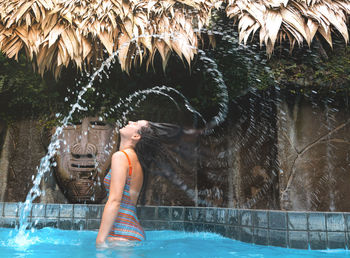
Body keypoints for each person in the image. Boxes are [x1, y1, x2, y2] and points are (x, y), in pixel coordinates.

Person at [96, 120, 182, 246]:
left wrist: (100, 240)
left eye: (135, 123)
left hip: (121, 235)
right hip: (132, 233)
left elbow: (115, 200)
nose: (130, 121)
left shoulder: (121, 157)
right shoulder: (136, 162)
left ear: (136, 136)